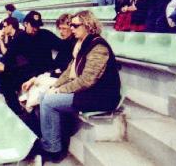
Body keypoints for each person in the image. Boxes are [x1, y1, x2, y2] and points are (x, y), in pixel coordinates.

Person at [35, 11, 121, 162]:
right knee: (44, 95)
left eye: (74, 25)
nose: (71, 28)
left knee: (49, 101)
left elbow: (86, 80)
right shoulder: (83, 44)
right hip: (90, 93)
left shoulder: (98, 47)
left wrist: (59, 90)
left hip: (102, 96)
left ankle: (53, 149)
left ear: (87, 25)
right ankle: (51, 139)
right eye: (71, 25)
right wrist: (55, 86)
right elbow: (69, 71)